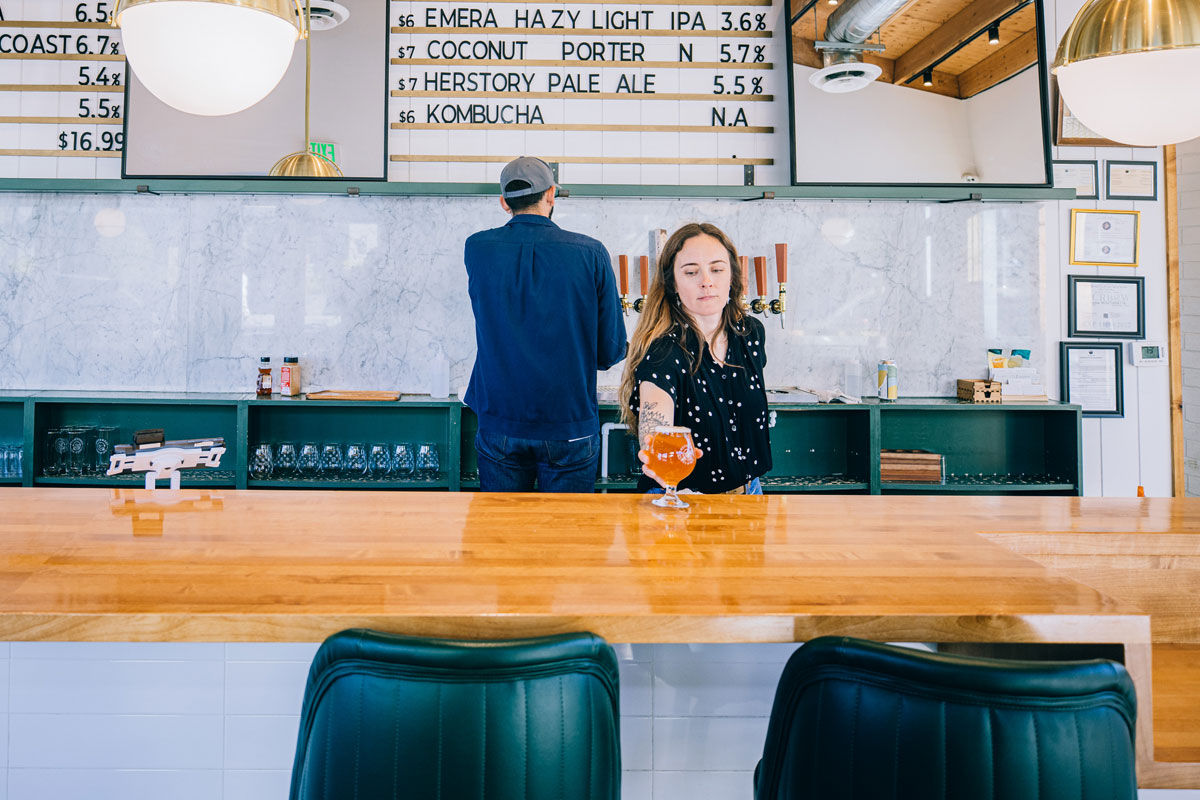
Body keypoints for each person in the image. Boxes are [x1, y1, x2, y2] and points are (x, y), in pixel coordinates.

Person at [464, 156, 627, 492]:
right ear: (551, 194)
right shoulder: (591, 252)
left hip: (499, 420)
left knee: (500, 534)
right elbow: (610, 349)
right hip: (569, 424)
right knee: (566, 536)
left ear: (503, 202)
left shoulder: (477, 248)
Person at [618, 223, 772, 494]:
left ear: (733, 278)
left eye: (717, 269)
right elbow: (655, 418)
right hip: (682, 496)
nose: (706, 281)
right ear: (673, 284)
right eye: (691, 272)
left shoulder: (751, 334)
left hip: (750, 493)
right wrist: (654, 449)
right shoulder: (663, 350)